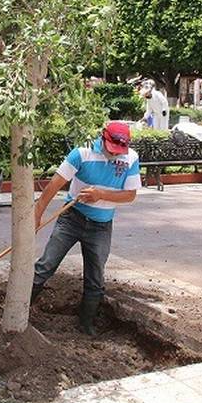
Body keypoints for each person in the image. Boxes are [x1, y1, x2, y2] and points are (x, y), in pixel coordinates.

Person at [31, 121, 142, 335]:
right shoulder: (82, 152)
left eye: (119, 151)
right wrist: (37, 216)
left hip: (101, 226)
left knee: (95, 276)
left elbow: (130, 195)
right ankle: (21, 312)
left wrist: (101, 195)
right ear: (103, 137)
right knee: (46, 265)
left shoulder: (131, 158)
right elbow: (54, 185)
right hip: (72, 218)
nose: (114, 155)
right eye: (112, 150)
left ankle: (87, 324)